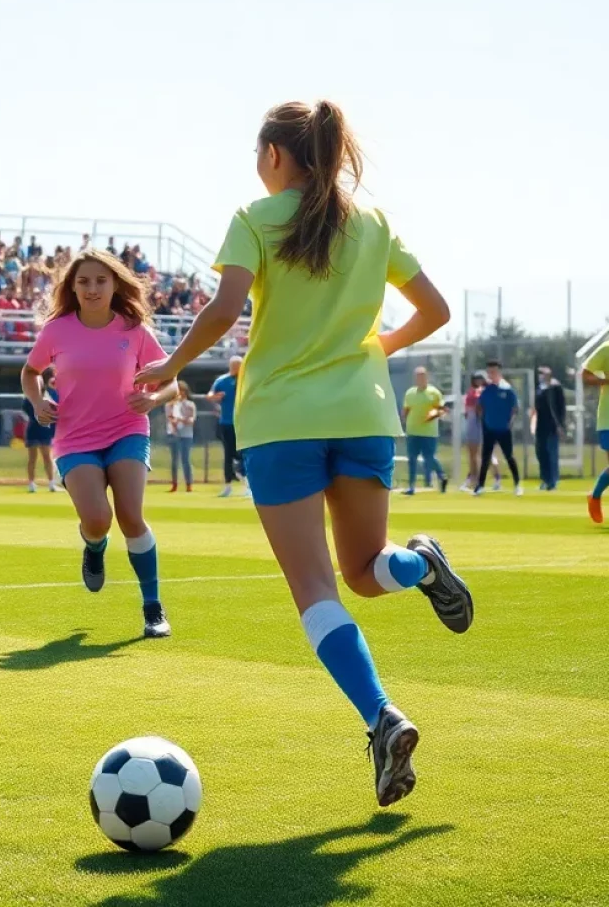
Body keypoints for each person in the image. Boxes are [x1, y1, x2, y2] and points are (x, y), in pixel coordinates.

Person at [137, 100, 471, 806]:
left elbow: (225, 311)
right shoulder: (373, 222)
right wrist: (377, 348)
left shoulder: (255, 219)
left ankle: (381, 715)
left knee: (318, 590)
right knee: (368, 572)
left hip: (281, 419)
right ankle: (422, 563)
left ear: (275, 156)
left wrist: (169, 366)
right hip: (363, 412)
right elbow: (436, 310)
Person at [22, 248, 178, 639]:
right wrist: (39, 400)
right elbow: (30, 372)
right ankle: (94, 546)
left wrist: (155, 398)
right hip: (75, 437)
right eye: (84, 281)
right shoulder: (56, 330)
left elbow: (171, 380)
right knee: (97, 520)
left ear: (115, 284)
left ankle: (153, 608)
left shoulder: (134, 330)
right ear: (72, 287)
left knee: (130, 517)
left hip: (127, 429)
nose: (92, 288)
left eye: (100, 281)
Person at [474, 360, 522, 496]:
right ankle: (480, 486)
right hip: (489, 428)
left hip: (504, 429)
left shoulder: (507, 389)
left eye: (493, 371)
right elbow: (480, 406)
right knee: (486, 457)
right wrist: (483, 420)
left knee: (509, 456)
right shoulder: (486, 390)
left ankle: (517, 485)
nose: (491, 374)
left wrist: (510, 423)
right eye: (489, 372)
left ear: (499, 372)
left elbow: (515, 408)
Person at [401, 367, 448, 495]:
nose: (420, 379)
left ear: (427, 377)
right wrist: (404, 420)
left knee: (429, 458)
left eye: (422, 376)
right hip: (413, 431)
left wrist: (431, 415)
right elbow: (406, 410)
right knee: (412, 459)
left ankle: (442, 476)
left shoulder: (434, 393)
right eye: (417, 376)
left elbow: (442, 409)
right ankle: (411, 486)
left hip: (429, 432)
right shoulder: (410, 393)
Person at [208, 356, 248, 497]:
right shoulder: (222, 380)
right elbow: (211, 395)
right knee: (228, 455)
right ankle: (228, 485)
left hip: (244, 423)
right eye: (234, 365)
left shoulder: (246, 380)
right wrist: (215, 397)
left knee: (244, 453)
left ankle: (247, 485)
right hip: (226, 423)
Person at [581, 340, 609, 523]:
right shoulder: (607, 348)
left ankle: (595, 494)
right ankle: (595, 496)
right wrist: (606, 380)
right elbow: (585, 375)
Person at [23, 367, 60, 493]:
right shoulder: (31, 397)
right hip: (34, 427)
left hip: (44, 428)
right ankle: (31, 483)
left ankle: (50, 483)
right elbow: (27, 409)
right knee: (32, 457)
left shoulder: (49, 395)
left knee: (47, 456)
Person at [532, 366, 567, 491]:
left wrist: (561, 425)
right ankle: (545, 479)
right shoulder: (539, 388)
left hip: (553, 426)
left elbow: (561, 407)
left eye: (543, 373)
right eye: (539, 373)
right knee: (541, 453)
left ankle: (552, 481)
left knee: (551, 452)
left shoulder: (555, 387)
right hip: (540, 425)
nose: (541, 375)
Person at [166, 379, 196, 493]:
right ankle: (174, 484)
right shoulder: (169, 405)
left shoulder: (190, 405)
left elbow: (191, 420)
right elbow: (170, 418)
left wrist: (181, 419)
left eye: (182, 391)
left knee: (185, 460)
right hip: (173, 435)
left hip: (186, 435)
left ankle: (189, 484)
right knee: (174, 461)